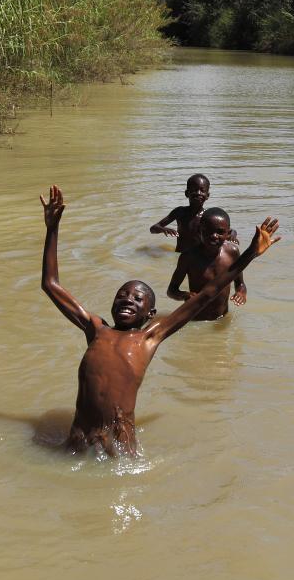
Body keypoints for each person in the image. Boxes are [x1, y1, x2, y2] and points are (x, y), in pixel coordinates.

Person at [41, 185, 280, 457]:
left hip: (119, 451)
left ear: (150, 314)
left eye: (138, 298)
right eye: (122, 295)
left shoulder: (149, 337)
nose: (128, 299)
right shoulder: (95, 329)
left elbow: (208, 294)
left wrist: (249, 253)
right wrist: (52, 229)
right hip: (77, 442)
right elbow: (50, 285)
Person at [166, 207, 247, 321]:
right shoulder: (188, 257)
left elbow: (240, 283)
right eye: (209, 230)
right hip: (196, 320)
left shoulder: (232, 252)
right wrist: (185, 295)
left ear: (228, 233)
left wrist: (241, 293)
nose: (214, 235)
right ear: (200, 230)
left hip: (222, 318)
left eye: (220, 232)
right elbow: (171, 291)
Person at [150, 173, 237, 253]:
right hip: (180, 255)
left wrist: (233, 234)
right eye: (194, 190)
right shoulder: (179, 212)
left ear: (207, 196)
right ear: (187, 193)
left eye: (202, 191)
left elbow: (227, 230)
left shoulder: (207, 216)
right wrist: (164, 229)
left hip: (198, 258)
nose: (198, 193)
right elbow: (153, 228)